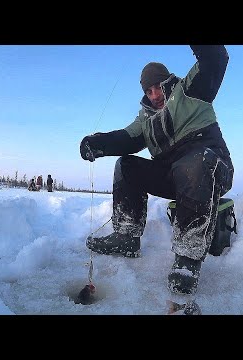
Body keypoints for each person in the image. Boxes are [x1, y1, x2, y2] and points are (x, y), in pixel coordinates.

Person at [79, 45, 234, 295]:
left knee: (194, 163)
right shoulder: (146, 118)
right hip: (174, 176)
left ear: (168, 82)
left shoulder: (191, 90)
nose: (154, 95)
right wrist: (97, 143)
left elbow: (215, 57)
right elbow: (126, 138)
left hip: (212, 169)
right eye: (148, 91)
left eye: (157, 87)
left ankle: (187, 258)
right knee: (126, 165)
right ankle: (126, 236)